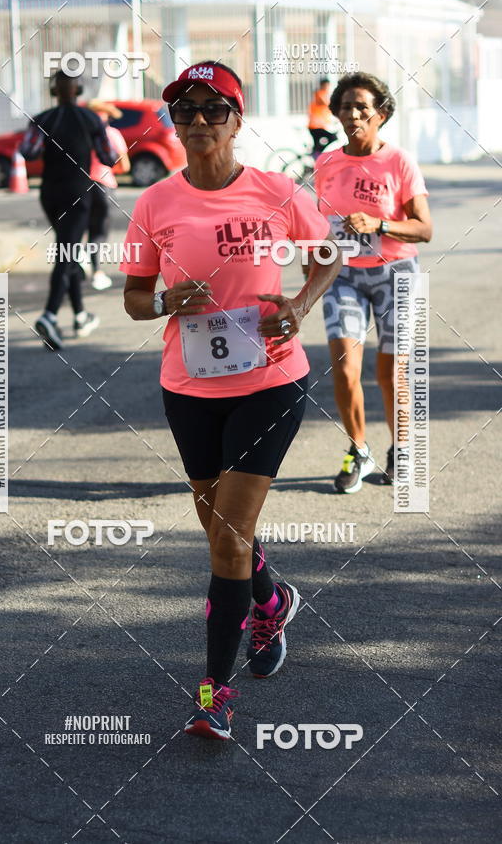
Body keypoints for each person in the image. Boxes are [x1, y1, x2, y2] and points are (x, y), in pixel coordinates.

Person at [120, 61, 341, 740]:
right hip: (188, 387)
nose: (197, 121)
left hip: (271, 380)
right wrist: (163, 301)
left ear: (237, 120)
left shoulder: (277, 191)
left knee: (230, 537)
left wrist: (299, 305)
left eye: (213, 110)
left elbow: (326, 253)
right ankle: (271, 598)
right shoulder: (154, 202)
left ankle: (214, 694)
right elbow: (133, 298)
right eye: (184, 110)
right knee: (222, 532)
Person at [314, 71, 432, 493]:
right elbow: (319, 224)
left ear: (380, 113)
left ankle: (400, 449)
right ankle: (357, 450)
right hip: (343, 274)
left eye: (362, 106)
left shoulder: (398, 161)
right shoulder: (326, 161)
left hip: (396, 274)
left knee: (392, 373)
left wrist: (380, 223)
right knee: (345, 370)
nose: (354, 114)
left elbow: (424, 228)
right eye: (346, 107)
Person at [20, 71, 117, 349]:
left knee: (68, 248)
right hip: (78, 193)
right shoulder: (90, 119)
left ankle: (80, 315)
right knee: (68, 252)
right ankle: (49, 315)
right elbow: (109, 156)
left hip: (49, 193)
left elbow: (28, 152)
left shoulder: (43, 119)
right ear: (79, 91)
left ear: (54, 91)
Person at [86, 100, 131, 291]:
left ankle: (78, 265)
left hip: (80, 185)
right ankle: (96, 272)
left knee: (81, 227)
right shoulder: (112, 134)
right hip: (104, 185)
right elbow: (124, 165)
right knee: (98, 231)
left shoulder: (81, 133)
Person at [308, 78, 338, 158]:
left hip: (319, 126)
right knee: (333, 138)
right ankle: (317, 155)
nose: (327, 87)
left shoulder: (324, 94)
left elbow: (328, 110)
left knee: (318, 145)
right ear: (322, 85)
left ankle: (316, 156)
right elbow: (327, 104)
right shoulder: (319, 94)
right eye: (326, 85)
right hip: (315, 127)